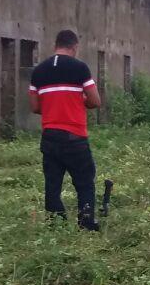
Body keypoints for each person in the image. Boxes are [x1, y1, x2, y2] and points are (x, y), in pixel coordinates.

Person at [29, 30, 102, 231]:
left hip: (50, 136)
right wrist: (79, 101)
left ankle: (56, 224)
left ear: (56, 45)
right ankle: (86, 223)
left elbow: (35, 107)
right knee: (85, 182)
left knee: (52, 185)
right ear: (75, 46)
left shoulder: (39, 71)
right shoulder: (80, 68)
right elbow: (96, 101)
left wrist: (54, 104)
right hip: (74, 137)